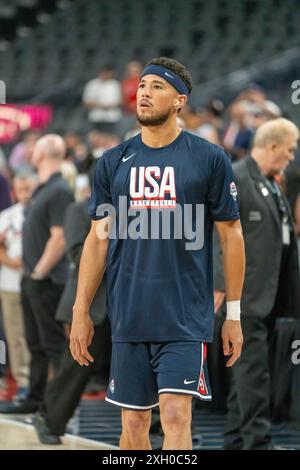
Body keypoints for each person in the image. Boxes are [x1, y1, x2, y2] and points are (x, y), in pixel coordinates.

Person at [70, 57, 245, 450]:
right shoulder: (112, 162)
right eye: (143, 85)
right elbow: (97, 239)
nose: (145, 92)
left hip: (185, 316)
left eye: (157, 86)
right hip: (130, 313)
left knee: (176, 416)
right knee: (133, 426)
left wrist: (233, 315)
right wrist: (81, 310)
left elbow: (232, 235)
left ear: (180, 100)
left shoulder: (210, 158)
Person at [214, 118, 300, 450]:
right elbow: (217, 235)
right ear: (274, 146)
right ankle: (257, 441)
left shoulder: (270, 183)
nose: (291, 157)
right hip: (244, 297)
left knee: (246, 373)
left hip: (267, 295)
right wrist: (221, 286)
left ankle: (236, 439)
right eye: (289, 150)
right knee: (254, 373)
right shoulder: (237, 178)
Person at [0, 134, 74, 414]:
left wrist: (39, 272)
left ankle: (57, 408)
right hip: (32, 280)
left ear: (44, 153)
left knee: (53, 346)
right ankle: (36, 399)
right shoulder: (43, 190)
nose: (29, 150)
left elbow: (59, 238)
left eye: (35, 147)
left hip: (47, 281)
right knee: (35, 344)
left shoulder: (58, 191)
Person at [33, 196, 110, 445]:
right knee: (74, 367)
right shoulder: (78, 210)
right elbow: (78, 253)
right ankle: (48, 418)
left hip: (124, 303)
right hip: (90, 304)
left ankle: (155, 432)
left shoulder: (133, 208)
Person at [0, 171, 37, 399]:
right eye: (21, 189)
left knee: (35, 335)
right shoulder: (7, 215)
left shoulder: (38, 213)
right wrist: (8, 260)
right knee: (15, 336)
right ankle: (23, 381)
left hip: (36, 281)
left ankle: (39, 382)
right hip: (10, 282)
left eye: (28, 189)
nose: (25, 194)